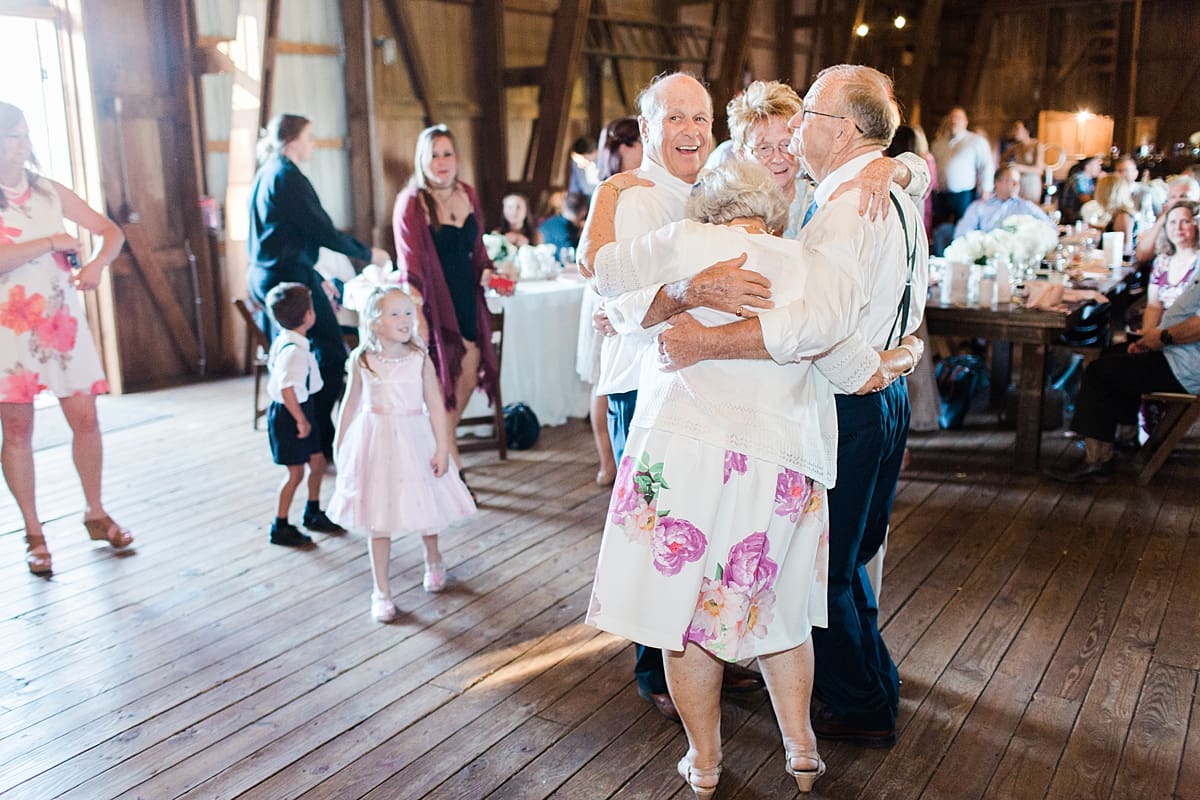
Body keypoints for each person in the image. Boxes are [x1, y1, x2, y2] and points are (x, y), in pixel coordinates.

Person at [585, 156, 924, 797]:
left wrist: (609, 197)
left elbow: (601, 273)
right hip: (779, 466)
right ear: (772, 213)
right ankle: (801, 751)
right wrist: (910, 350)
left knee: (687, 624)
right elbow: (855, 370)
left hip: (686, 457)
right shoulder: (806, 265)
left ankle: (706, 763)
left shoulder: (682, 243)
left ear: (705, 206)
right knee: (783, 612)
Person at [654, 64, 930, 749]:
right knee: (851, 557)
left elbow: (818, 329)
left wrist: (707, 342)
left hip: (852, 397)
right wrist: (891, 362)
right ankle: (875, 682)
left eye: (808, 114)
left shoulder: (842, 205)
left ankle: (862, 704)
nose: (798, 128)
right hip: (872, 394)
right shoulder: (875, 191)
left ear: (841, 131)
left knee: (828, 568)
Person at [0, 101, 132, 575]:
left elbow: (109, 230)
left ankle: (95, 512)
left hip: (61, 322)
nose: (25, 144)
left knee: (86, 419)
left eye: (26, 135)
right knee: (16, 430)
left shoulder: (48, 192)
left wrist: (97, 263)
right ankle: (33, 531)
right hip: (8, 329)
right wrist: (52, 242)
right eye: (15, 135)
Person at [248, 113, 390, 537]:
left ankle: (316, 437)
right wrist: (368, 253)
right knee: (327, 354)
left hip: (279, 272)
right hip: (288, 277)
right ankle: (314, 435)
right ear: (293, 141)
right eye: (310, 137)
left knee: (313, 358)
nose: (314, 144)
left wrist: (320, 275)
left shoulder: (267, 172)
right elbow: (321, 228)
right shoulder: (287, 175)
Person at [327, 286, 476, 620]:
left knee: (424, 500)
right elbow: (350, 403)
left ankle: (433, 559)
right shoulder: (362, 359)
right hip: (374, 440)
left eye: (408, 312)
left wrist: (441, 446)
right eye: (395, 314)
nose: (405, 319)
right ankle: (381, 589)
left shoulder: (418, 357)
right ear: (375, 323)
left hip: (413, 436)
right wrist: (340, 442)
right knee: (377, 516)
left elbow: (435, 404)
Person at [393, 124, 500, 475]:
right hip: (435, 305)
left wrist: (489, 273)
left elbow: (478, 249)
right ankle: (452, 466)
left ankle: (441, 444)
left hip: (467, 298)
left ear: (457, 158)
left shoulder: (468, 193)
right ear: (422, 160)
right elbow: (408, 264)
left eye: (447, 154)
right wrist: (417, 315)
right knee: (443, 386)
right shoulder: (412, 202)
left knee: (468, 377)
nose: (441, 162)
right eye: (434, 155)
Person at [1050, 269, 1200, 483]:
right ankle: (1125, 438)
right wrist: (1152, 340)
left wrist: (1163, 337)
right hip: (1180, 354)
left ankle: (1097, 460)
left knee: (1099, 372)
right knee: (1113, 354)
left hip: (1187, 367)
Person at [576, 118, 642, 487]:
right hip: (605, 289)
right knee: (605, 377)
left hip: (626, 287)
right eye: (635, 143)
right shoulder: (610, 188)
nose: (642, 149)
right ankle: (606, 460)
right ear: (619, 148)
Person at [262, 283, 339, 548]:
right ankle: (280, 525)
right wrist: (301, 420)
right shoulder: (293, 351)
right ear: (308, 316)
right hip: (291, 414)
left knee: (317, 463)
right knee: (295, 473)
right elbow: (286, 388)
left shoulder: (289, 338)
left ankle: (313, 511)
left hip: (301, 409)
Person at [930, 106, 994, 252]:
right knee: (940, 230)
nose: (954, 121)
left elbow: (986, 166)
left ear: (965, 121)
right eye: (951, 118)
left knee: (964, 230)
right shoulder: (938, 144)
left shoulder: (976, 141)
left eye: (958, 118)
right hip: (942, 194)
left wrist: (986, 189)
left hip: (964, 194)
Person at [1135, 201, 1199, 337]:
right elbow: (1153, 307)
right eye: (1172, 222)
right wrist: (1147, 335)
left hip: (1185, 340)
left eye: (1185, 221)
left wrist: (1160, 338)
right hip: (1160, 336)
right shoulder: (1162, 262)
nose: (1178, 228)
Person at [953, 164, 1051, 238]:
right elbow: (961, 234)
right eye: (1011, 181)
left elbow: (1050, 228)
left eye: (1018, 182)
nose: (1016, 185)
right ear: (997, 183)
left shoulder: (1027, 207)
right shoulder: (979, 207)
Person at [1134, 175, 1200, 264]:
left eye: (1183, 196)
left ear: (1197, 199)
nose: (1178, 201)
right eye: (1173, 197)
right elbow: (1141, 256)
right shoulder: (1165, 221)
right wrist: (1161, 220)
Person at [1000, 120, 1064, 203]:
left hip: (1031, 181)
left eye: (1018, 128)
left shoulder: (1036, 145)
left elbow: (1038, 169)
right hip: (1018, 180)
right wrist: (1007, 167)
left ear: (1026, 130)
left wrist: (1018, 167)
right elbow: (1002, 159)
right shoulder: (1016, 147)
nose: (1015, 131)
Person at [1059, 155, 1103, 225]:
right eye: (1097, 165)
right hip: (1075, 216)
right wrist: (1102, 184)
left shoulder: (1089, 180)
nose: (1099, 168)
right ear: (1087, 167)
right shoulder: (1080, 179)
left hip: (1083, 214)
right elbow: (1086, 199)